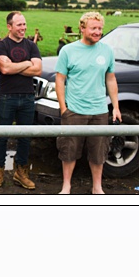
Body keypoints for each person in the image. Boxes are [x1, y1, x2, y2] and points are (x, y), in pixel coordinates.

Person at [54, 11, 120, 194]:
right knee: (69, 150)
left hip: (99, 110)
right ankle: (66, 186)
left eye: (100, 28)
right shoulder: (68, 51)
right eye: (93, 28)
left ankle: (97, 188)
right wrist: (63, 108)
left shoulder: (107, 51)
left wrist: (115, 106)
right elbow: (60, 80)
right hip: (74, 110)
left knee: (99, 152)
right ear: (82, 28)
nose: (98, 32)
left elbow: (111, 79)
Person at [0, 11, 43, 190]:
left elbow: (37, 70)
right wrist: (27, 63)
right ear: (9, 26)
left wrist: (15, 66)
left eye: (24, 24)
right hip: (7, 97)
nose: (23, 28)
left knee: (25, 137)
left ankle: (20, 172)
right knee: (1, 136)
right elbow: (5, 69)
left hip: (28, 97)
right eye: (19, 25)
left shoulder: (31, 46)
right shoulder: (1, 46)